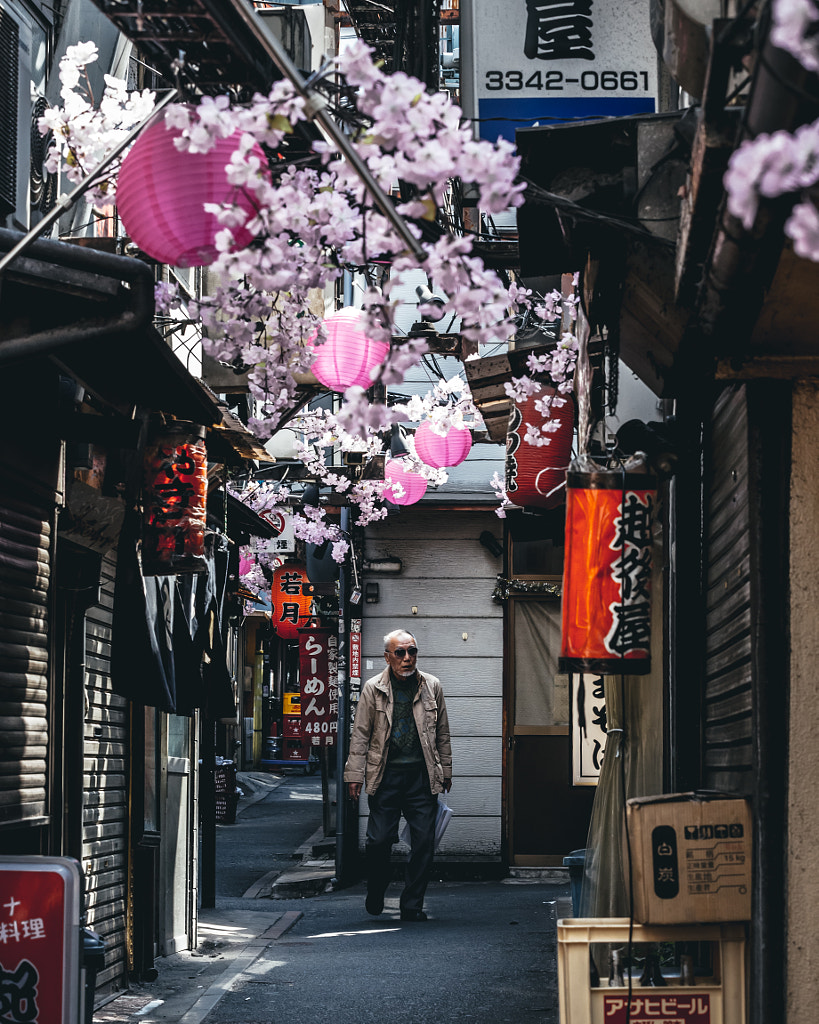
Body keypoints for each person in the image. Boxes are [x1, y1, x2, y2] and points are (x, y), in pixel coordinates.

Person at [343, 628, 452, 922]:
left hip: (421, 776)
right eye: (400, 653)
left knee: (424, 842)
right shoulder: (372, 688)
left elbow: (442, 732)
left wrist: (447, 771)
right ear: (388, 657)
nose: (407, 658)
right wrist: (354, 775)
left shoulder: (432, 685)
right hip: (386, 775)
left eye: (412, 651)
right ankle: (377, 889)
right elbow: (360, 734)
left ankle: (412, 904)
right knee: (378, 841)